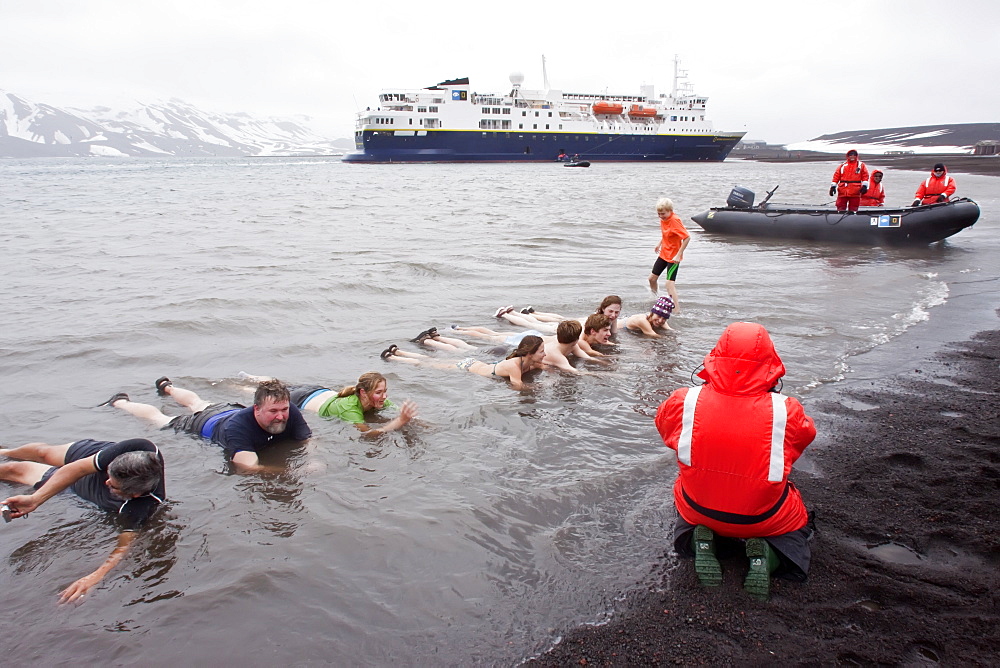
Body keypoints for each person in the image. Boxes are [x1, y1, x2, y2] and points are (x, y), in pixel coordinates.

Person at [655, 322, 816, 601]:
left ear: (716, 355)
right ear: (770, 360)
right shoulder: (785, 410)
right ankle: (768, 558)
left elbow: (665, 428)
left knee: (688, 506)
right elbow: (802, 438)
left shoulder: (684, 401)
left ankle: (701, 542)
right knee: (797, 529)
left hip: (698, 508)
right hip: (763, 518)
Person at [0, 438, 165, 604]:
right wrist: (36, 499)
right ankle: (5, 452)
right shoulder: (142, 448)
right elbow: (78, 468)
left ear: (134, 495)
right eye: (109, 476)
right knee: (43, 453)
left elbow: (124, 546)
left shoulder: (142, 506)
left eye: (113, 486)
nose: (106, 482)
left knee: (15, 469)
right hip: (91, 458)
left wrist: (95, 577)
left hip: (84, 491)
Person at [102, 377, 311, 474]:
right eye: (273, 412)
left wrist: (314, 461)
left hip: (228, 408)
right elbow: (248, 467)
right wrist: (288, 471)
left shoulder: (289, 410)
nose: (280, 416)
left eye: (283, 410)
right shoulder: (239, 429)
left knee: (197, 402)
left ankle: (168, 387)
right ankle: (120, 402)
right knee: (160, 420)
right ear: (256, 409)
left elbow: (308, 441)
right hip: (204, 423)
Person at [273, 372, 418, 437]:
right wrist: (400, 421)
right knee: (272, 389)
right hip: (299, 399)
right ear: (363, 393)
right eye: (379, 392)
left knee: (282, 384)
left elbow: (402, 413)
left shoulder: (377, 399)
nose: (384, 396)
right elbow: (368, 434)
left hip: (318, 389)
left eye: (385, 391)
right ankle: (250, 384)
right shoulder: (349, 407)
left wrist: (420, 424)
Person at [382, 335, 546, 391]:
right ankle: (394, 356)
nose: (544, 354)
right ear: (530, 353)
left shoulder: (529, 362)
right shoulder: (515, 365)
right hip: (468, 367)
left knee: (432, 361)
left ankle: (399, 352)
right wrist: (539, 387)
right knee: (428, 364)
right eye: (541, 351)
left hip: (474, 363)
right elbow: (517, 386)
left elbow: (543, 367)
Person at [647, 197, 690, 312]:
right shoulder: (663, 219)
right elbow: (666, 234)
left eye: (663, 214)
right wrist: (659, 244)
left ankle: (677, 311)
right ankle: (654, 299)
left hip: (673, 257)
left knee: (669, 284)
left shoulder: (675, 220)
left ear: (670, 211)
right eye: (659, 214)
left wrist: (678, 254)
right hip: (664, 253)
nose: (661, 216)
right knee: (652, 279)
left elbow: (687, 237)